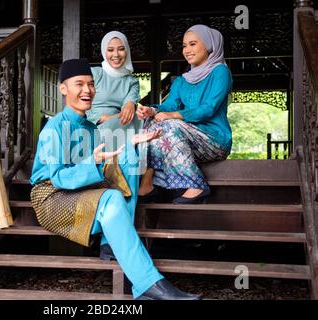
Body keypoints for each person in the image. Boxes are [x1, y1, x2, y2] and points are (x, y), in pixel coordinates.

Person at [30, 58, 200, 300]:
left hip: (78, 191)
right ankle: (147, 282)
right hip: (51, 197)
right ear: (63, 89)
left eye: (90, 84)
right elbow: (57, 178)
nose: (87, 90)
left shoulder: (91, 128)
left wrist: (131, 144)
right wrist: (93, 162)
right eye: (79, 84)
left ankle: (111, 243)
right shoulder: (54, 128)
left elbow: (106, 160)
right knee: (110, 197)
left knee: (131, 157)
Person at [137, 24, 232, 204]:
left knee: (168, 125)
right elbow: (170, 104)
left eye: (193, 44)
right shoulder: (182, 80)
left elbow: (209, 108)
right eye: (184, 45)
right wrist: (152, 110)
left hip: (214, 139)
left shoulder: (220, 72)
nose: (187, 50)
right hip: (184, 138)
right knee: (151, 124)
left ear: (209, 45)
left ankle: (196, 185)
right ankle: (148, 182)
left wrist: (173, 115)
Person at [86, 31, 142, 150]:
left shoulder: (131, 81)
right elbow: (79, 99)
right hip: (94, 124)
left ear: (127, 50)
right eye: (110, 50)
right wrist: (99, 119)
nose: (116, 54)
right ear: (103, 51)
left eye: (121, 49)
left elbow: (130, 102)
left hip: (120, 121)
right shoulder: (94, 74)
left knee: (142, 118)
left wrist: (130, 104)